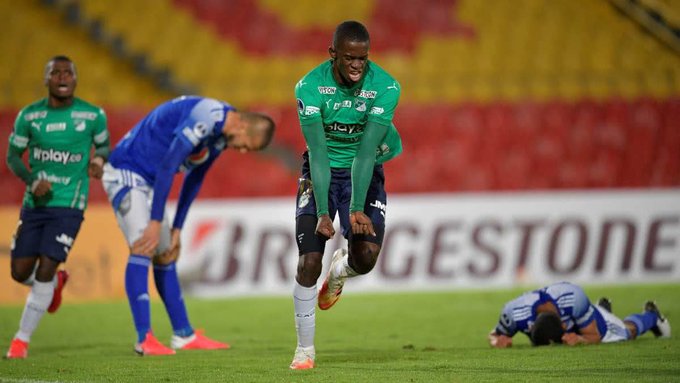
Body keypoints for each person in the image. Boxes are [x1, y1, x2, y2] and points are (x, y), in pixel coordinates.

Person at [101, 95, 274, 356]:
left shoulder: (218, 138)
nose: (242, 151)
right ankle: (143, 338)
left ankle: (183, 334)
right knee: (143, 246)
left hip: (149, 182)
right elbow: (169, 166)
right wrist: (156, 221)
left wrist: (177, 229)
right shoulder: (205, 117)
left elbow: (195, 178)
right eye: (246, 145)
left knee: (166, 252)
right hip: (128, 172)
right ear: (241, 126)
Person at [290, 20, 403, 369]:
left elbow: (368, 152)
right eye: (350, 58)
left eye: (363, 59)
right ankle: (305, 350)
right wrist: (324, 211)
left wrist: (355, 207)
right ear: (333, 54)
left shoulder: (385, 86)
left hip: (363, 171)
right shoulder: (309, 87)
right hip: (321, 172)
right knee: (309, 261)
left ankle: (339, 273)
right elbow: (319, 154)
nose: (357, 65)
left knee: (366, 257)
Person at [5, 55, 110, 359]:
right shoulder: (29, 116)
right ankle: (55, 283)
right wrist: (31, 180)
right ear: (46, 79)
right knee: (19, 271)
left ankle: (20, 342)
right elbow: (13, 156)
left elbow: (104, 145)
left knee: (46, 266)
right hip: (35, 205)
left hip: (69, 205)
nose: (62, 77)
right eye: (56, 73)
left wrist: (99, 159)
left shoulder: (93, 116)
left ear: (75, 79)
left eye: (68, 73)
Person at [488, 281, 671, 348]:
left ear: (563, 325)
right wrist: (497, 340)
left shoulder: (573, 297)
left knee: (626, 333)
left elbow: (594, 336)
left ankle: (652, 316)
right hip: (580, 316)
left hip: (584, 318)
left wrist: (582, 340)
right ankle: (603, 311)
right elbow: (494, 334)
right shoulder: (514, 312)